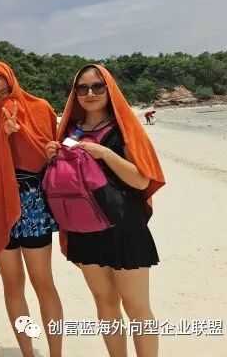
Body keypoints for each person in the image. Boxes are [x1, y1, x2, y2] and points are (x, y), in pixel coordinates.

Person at [46, 64, 165, 357]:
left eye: (98, 86)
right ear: (75, 93)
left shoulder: (123, 128)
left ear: (109, 89)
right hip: (84, 228)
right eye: (82, 88)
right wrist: (53, 156)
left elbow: (141, 180)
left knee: (137, 308)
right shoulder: (69, 132)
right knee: (105, 302)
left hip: (124, 227)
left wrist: (105, 153)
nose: (90, 93)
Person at [0, 61, 63, 357]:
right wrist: (0, 138)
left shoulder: (40, 108)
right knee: (13, 286)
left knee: (43, 283)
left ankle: (56, 354)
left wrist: (41, 146)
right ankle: (27, 353)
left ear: (13, 83)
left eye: (5, 93)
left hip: (32, 204)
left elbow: (50, 156)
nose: (1, 102)